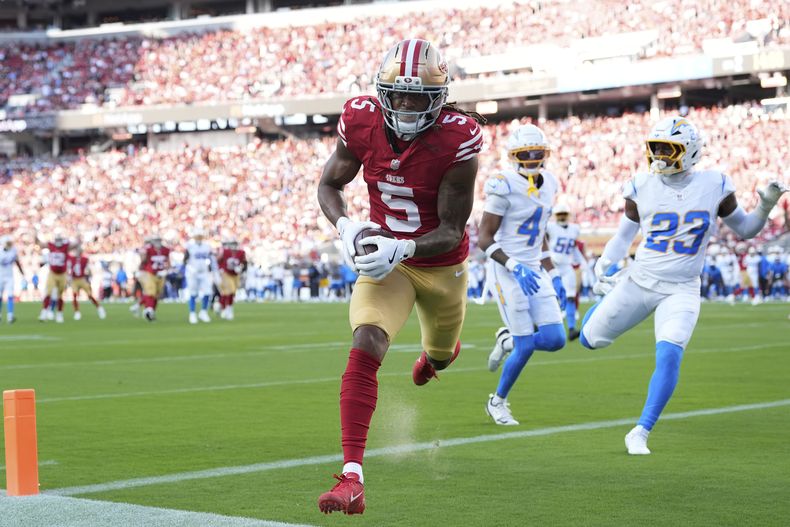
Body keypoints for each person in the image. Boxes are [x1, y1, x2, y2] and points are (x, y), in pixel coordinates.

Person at [315, 38, 484, 515]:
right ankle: (352, 475)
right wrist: (346, 225)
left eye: (418, 97)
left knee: (440, 353)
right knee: (366, 341)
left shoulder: (458, 137)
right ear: (382, 92)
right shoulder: (361, 119)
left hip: (440, 263)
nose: (407, 105)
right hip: (385, 262)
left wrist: (402, 246)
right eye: (399, 95)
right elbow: (329, 183)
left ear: (439, 98)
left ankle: (436, 358)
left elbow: (451, 231)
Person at [578, 116, 788, 455]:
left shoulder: (715, 185)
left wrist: (765, 206)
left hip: (682, 288)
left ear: (689, 151)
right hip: (639, 281)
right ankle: (604, 301)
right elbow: (624, 235)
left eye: (668, 148)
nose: (659, 155)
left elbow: (746, 229)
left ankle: (641, 431)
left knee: (669, 355)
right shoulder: (641, 185)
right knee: (589, 341)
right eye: (656, 147)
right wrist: (606, 264)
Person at [477, 124, 567, 426]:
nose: (531, 159)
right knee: (526, 344)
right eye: (524, 154)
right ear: (513, 155)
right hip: (507, 270)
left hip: (534, 269)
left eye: (536, 153)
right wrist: (515, 265)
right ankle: (497, 401)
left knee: (556, 339)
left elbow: (539, 233)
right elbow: (484, 239)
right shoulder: (503, 184)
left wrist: (552, 273)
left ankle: (507, 342)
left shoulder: (551, 183)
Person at [545, 202, 587, 340]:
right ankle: (537, 325)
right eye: (560, 214)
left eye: (564, 214)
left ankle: (571, 328)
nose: (562, 216)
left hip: (567, 266)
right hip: (552, 266)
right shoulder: (550, 227)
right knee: (546, 296)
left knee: (570, 297)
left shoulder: (574, 229)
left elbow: (574, 247)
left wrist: (581, 261)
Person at [36, 230, 70, 323]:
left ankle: (59, 314)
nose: (58, 242)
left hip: (62, 274)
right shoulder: (51, 245)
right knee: (48, 293)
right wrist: (35, 236)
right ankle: (44, 312)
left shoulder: (66, 246)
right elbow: (40, 244)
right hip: (52, 273)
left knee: (60, 294)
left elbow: (76, 245)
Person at [184, 227, 215, 324]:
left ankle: (203, 312)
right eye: (197, 236)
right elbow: (185, 260)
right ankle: (192, 313)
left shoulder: (207, 246)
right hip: (193, 272)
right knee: (193, 293)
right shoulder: (190, 246)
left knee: (207, 292)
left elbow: (210, 259)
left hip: (204, 272)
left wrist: (210, 269)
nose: (199, 238)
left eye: (200, 236)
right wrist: (190, 268)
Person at [68, 244, 107, 321]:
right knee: (74, 296)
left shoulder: (84, 259)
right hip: (75, 280)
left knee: (90, 295)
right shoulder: (72, 259)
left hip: (82, 279)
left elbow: (90, 265)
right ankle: (77, 312)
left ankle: (99, 308)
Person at [138, 234, 171, 321]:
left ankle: (149, 310)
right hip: (150, 273)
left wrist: (167, 270)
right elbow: (143, 259)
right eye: (156, 240)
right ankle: (148, 309)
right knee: (150, 292)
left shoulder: (165, 250)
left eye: (159, 240)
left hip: (161, 274)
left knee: (157, 294)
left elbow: (168, 261)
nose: (158, 242)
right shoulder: (148, 249)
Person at [216, 236, 247, 320]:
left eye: (234, 244)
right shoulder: (225, 251)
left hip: (235, 274)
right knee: (230, 290)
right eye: (232, 244)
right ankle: (227, 309)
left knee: (231, 293)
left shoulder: (241, 252)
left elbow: (244, 263)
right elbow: (217, 260)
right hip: (226, 273)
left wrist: (241, 268)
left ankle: (222, 306)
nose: (233, 246)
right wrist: (220, 269)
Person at [0, 235, 25, 323]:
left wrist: (22, 272)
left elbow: (16, 261)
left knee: (10, 296)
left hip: (9, 277)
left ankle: (10, 316)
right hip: (0, 276)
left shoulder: (13, 251)